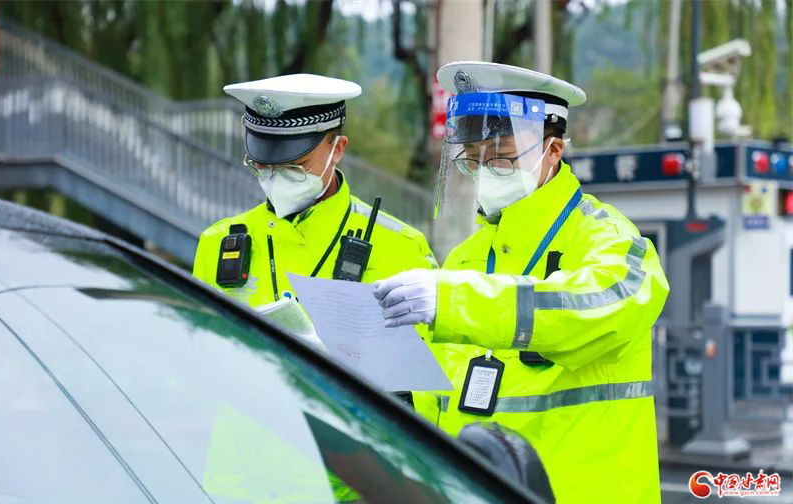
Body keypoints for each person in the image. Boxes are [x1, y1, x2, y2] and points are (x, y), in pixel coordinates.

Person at [373, 61, 669, 503]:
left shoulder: (611, 240)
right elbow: (437, 399)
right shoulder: (466, 258)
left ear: (553, 150)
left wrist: (455, 303)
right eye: (473, 159)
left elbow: (595, 306)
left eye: (501, 155)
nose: (485, 170)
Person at [193, 73, 434, 306]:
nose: (276, 176)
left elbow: (427, 334)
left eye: (295, 166)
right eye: (263, 165)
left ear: (337, 149)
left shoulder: (402, 247)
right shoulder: (216, 242)